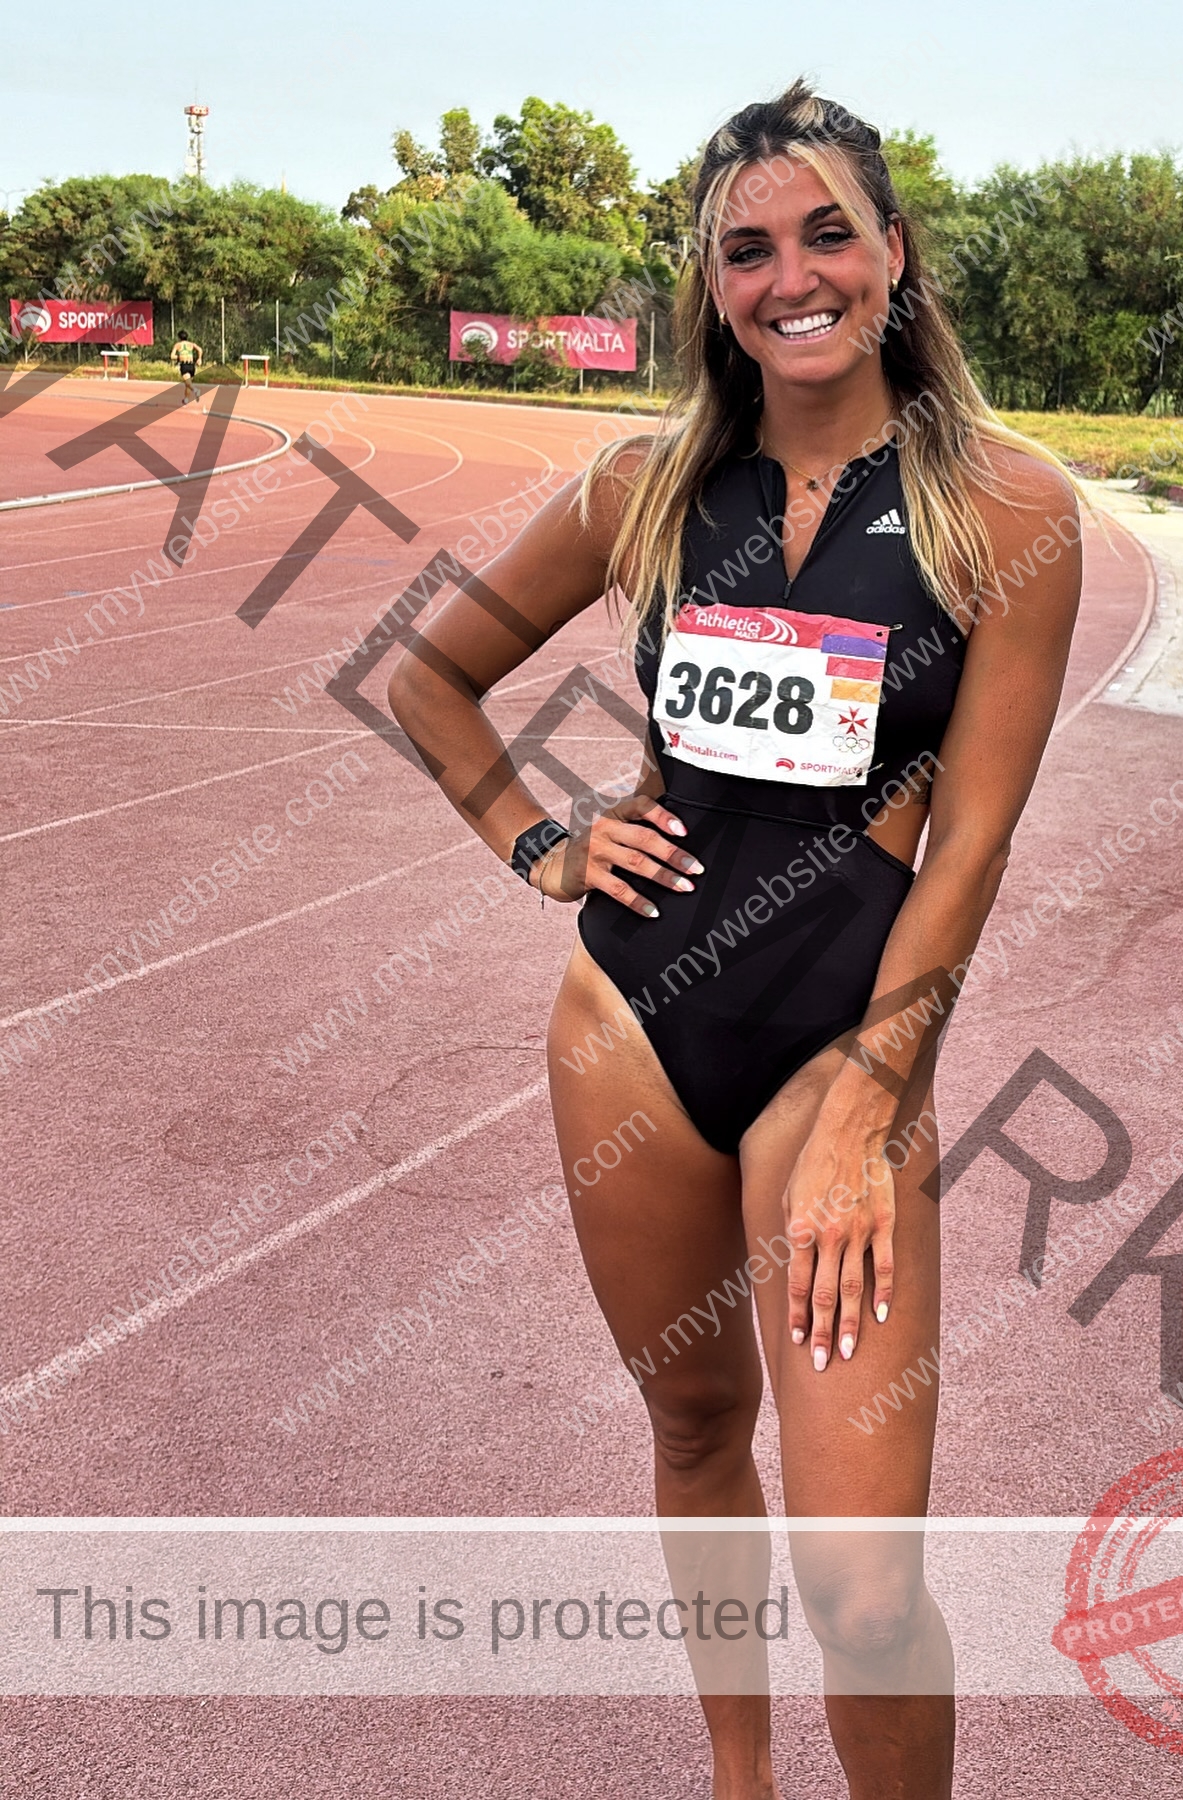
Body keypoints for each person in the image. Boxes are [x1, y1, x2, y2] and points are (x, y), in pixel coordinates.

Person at [389, 80, 1081, 1800]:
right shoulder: (643, 486)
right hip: (630, 1021)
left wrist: (869, 1100)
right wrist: (542, 843)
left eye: (828, 231)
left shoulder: (1007, 507)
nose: (794, 276)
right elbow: (431, 675)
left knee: (862, 1583)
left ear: (895, 253)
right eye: (747, 247)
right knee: (695, 1428)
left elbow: (972, 841)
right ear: (712, 286)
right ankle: (739, 1780)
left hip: (845, 1038)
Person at [170, 329, 202, 402]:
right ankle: (186, 399)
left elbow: (172, 356)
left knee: (188, 382)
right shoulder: (191, 344)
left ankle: (196, 390)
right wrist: (199, 358)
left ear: (179, 338)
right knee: (188, 383)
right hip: (191, 364)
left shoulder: (178, 345)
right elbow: (199, 349)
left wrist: (178, 357)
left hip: (184, 364)